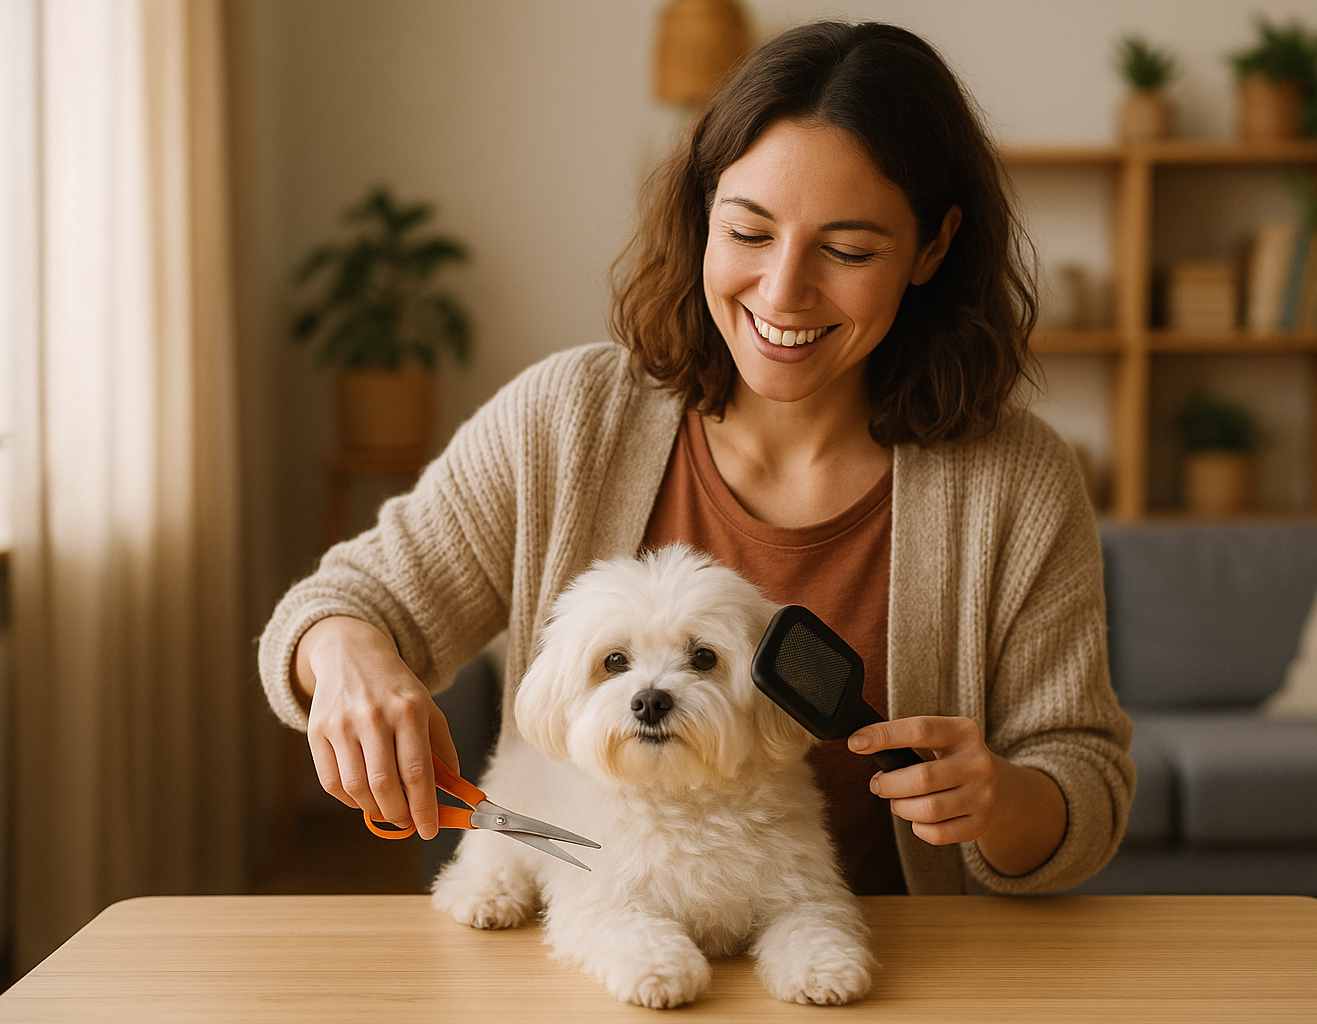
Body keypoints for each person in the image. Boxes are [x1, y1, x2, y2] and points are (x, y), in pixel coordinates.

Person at [260, 21, 1134, 897]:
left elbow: (1083, 782)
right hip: (600, 955)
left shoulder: (1018, 481)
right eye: (749, 232)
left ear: (932, 249)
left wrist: (1004, 802)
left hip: (882, 965)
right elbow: (345, 604)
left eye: (847, 250)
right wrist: (348, 660)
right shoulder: (567, 422)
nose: (783, 291)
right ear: (701, 212)